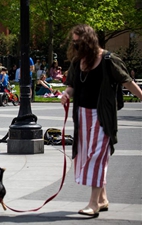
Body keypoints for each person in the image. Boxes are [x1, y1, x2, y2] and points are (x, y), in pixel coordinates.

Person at [61, 24, 142, 218]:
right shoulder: (77, 61)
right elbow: (72, 85)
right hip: (82, 116)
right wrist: (66, 94)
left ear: (89, 41)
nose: (76, 46)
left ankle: (93, 203)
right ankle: (103, 199)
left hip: (102, 117)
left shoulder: (108, 60)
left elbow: (127, 82)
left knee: (97, 157)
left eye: (79, 42)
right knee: (87, 155)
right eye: (74, 42)